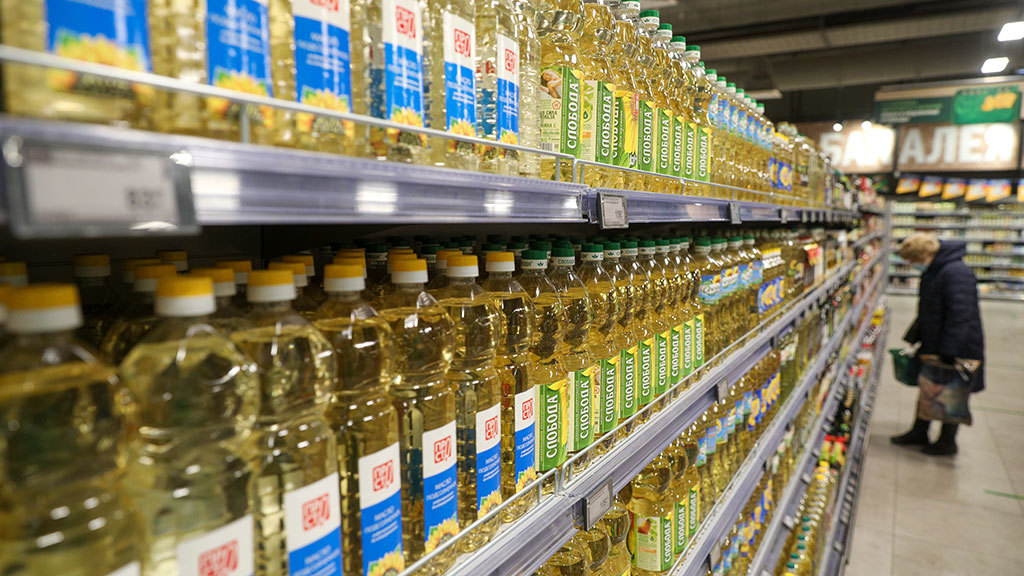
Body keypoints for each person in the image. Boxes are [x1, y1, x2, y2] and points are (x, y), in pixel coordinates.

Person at [891, 232, 984, 456]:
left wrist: (950, 351)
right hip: (936, 343)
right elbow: (931, 308)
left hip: (956, 346)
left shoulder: (956, 272)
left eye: (914, 261)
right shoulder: (936, 270)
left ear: (926, 254)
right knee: (929, 388)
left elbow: (961, 315)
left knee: (952, 394)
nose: (913, 265)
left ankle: (947, 442)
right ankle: (919, 432)